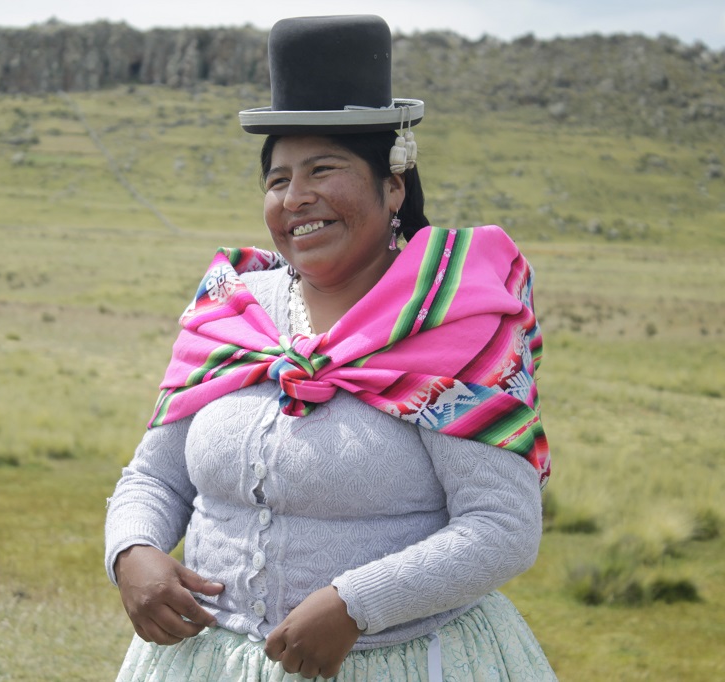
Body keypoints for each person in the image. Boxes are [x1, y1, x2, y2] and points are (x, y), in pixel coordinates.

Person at [105, 14, 556, 681]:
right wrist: (132, 552)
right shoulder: (234, 310)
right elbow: (155, 476)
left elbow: (502, 525)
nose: (297, 198)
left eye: (324, 170)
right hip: (208, 661)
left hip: (400, 662)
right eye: (278, 179)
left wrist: (356, 605)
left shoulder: (452, 324)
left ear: (392, 185)